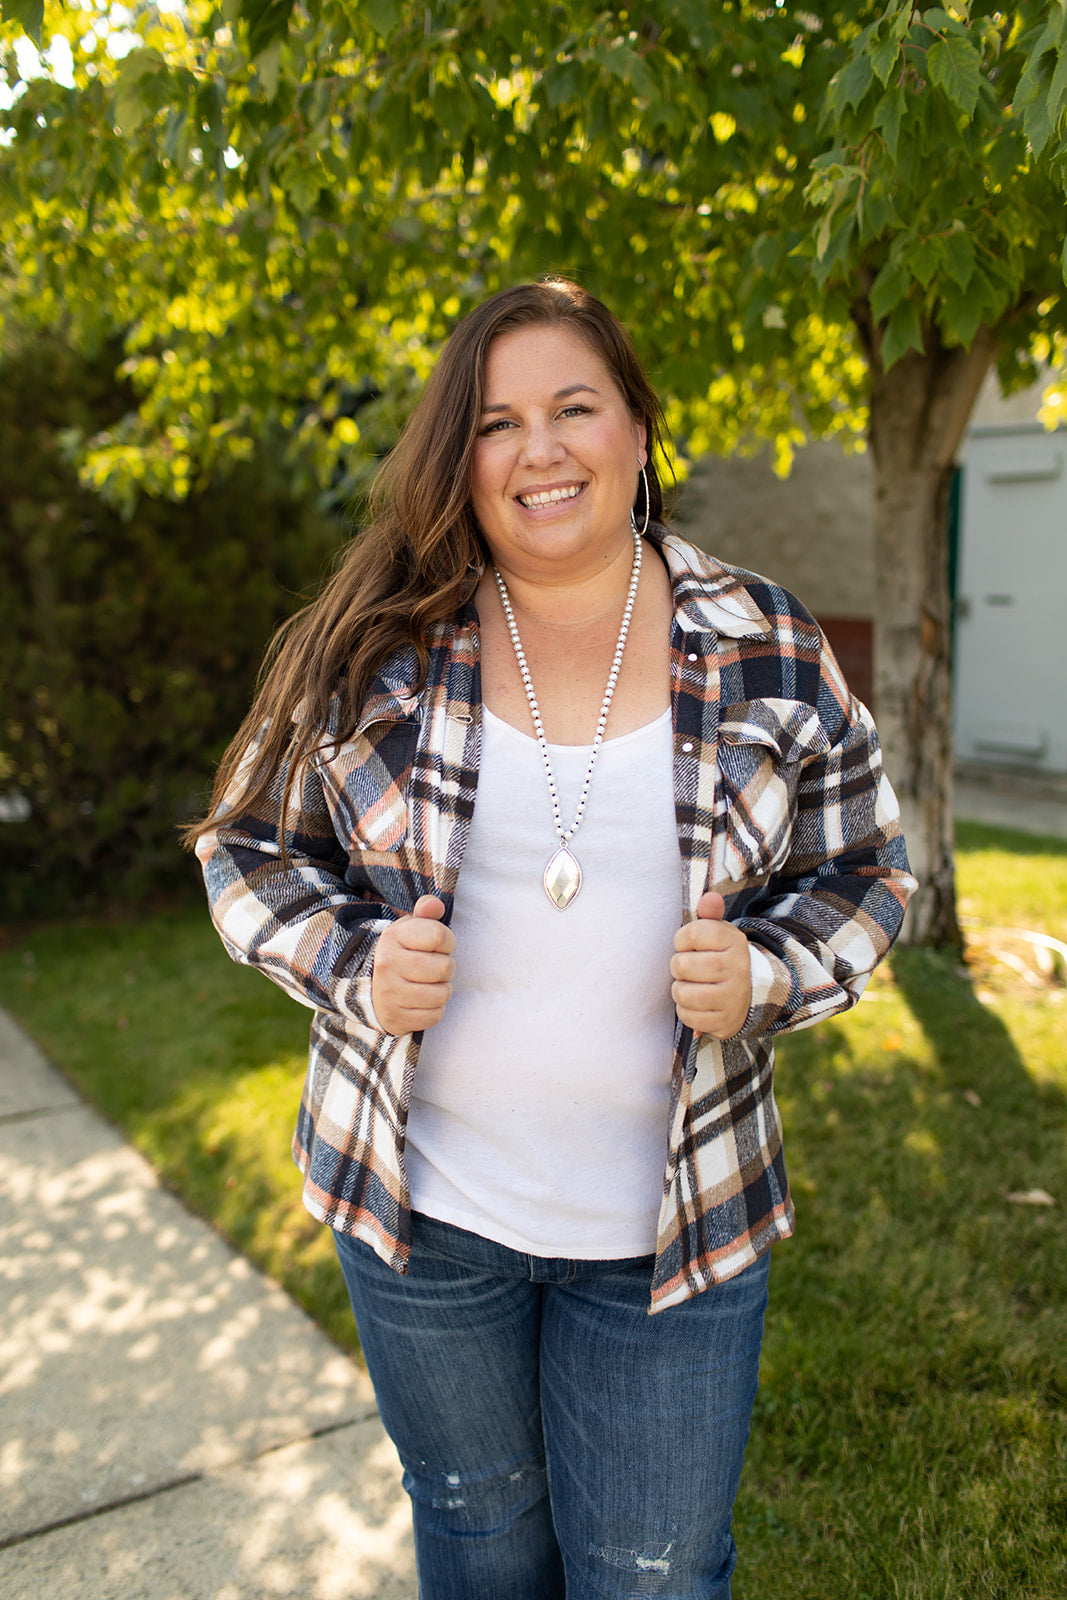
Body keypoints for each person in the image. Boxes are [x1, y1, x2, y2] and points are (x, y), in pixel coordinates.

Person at [189, 277, 915, 1599]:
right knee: (476, 1536)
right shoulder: (380, 646)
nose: (540, 450)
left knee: (654, 1574)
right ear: (457, 458)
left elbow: (871, 871)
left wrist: (765, 974)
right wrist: (356, 966)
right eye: (497, 421)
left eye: (575, 408)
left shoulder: (765, 643)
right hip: (425, 1217)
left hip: (676, 1223)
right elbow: (242, 847)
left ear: (639, 430)